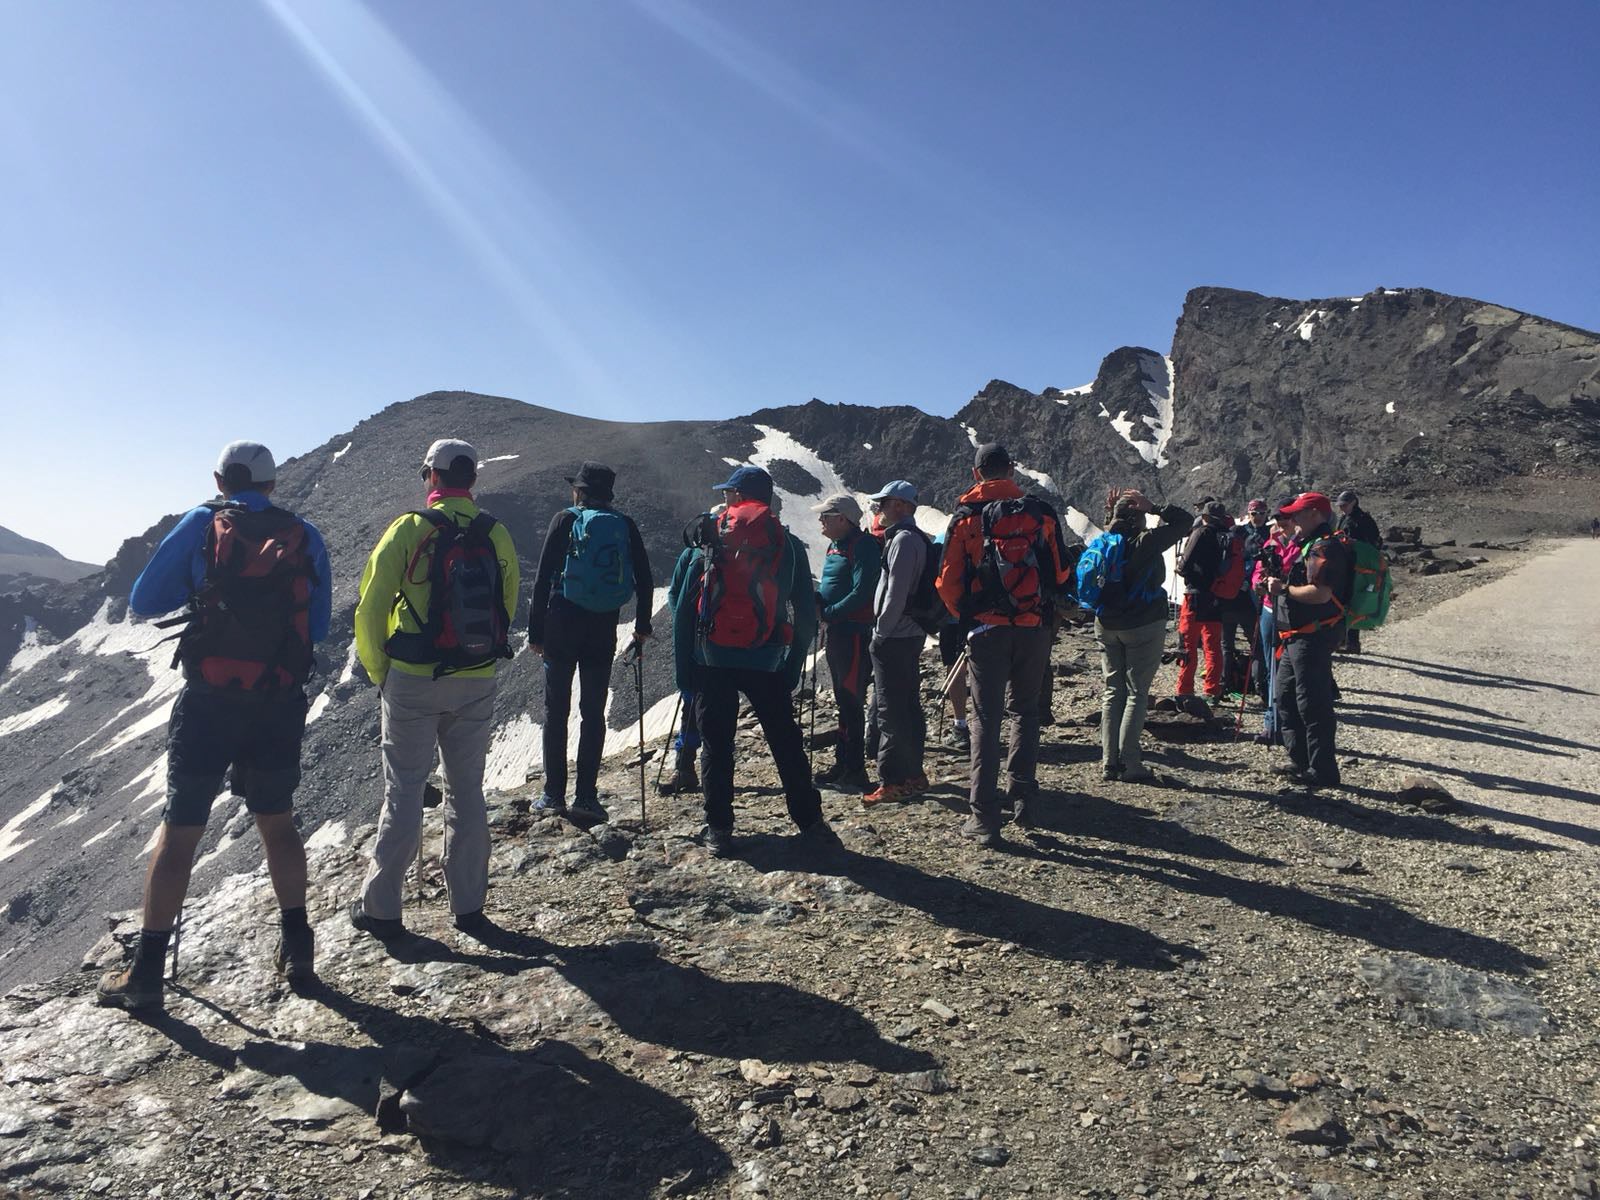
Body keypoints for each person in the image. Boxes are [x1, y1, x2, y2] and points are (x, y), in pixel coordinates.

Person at [97, 442, 332, 1009]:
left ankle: (147, 975)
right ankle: (298, 947)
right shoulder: (304, 534)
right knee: (278, 823)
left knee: (180, 832)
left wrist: (205, 591)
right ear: (273, 484)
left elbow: (145, 600)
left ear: (220, 479)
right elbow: (318, 626)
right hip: (276, 700)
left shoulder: (204, 521)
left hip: (210, 701)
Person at [351, 439, 519, 939]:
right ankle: (468, 906)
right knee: (466, 790)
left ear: (432, 477)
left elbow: (370, 607)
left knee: (403, 789)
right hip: (476, 676)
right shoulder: (496, 533)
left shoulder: (409, 529)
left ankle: (382, 907)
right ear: (471, 479)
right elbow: (506, 606)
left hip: (413, 678)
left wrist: (382, 672)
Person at [672, 466, 836, 857]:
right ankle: (810, 822)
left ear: (735, 497)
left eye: (729, 493)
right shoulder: (787, 543)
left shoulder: (709, 540)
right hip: (767, 659)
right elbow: (805, 613)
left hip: (712, 658)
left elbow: (682, 609)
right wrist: (793, 666)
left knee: (716, 745)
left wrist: (685, 674)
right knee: (785, 741)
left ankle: (719, 829)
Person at [935, 443, 1073, 844]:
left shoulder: (966, 517)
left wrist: (969, 614)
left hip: (985, 631)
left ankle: (983, 817)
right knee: (1026, 714)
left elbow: (947, 580)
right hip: (1033, 628)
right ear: (1010, 470)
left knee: (985, 719)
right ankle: (1025, 803)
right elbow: (1062, 572)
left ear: (976, 473)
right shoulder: (1040, 513)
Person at [527, 462, 654, 823]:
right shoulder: (624, 525)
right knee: (592, 712)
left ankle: (553, 794)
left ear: (579, 492)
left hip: (562, 625)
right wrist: (641, 625)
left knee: (557, 711)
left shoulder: (565, 519)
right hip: (602, 627)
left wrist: (536, 633)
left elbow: (540, 580)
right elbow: (644, 578)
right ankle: (586, 796)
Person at [1089, 489, 1193, 782]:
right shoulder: (1145, 541)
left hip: (1106, 623)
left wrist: (1112, 513)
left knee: (1112, 692)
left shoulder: (1105, 541)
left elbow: (1116, 530)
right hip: (1142, 623)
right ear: (1139, 519)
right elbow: (1185, 522)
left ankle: (1109, 762)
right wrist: (1156, 506)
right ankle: (1130, 763)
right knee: (1136, 693)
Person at [1264, 492, 1351, 788]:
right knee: (1285, 696)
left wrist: (1284, 590)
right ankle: (1299, 760)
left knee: (1312, 702)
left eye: (1298, 514)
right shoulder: (1307, 545)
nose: (1293, 519)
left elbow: (1321, 593)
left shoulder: (1325, 547)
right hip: (1296, 635)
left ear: (1316, 513)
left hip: (1312, 635)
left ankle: (1323, 770)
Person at [864, 481, 931, 805]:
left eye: (884, 503)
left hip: (896, 635)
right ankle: (913, 774)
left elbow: (895, 593)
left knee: (891, 710)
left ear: (902, 506)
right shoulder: (913, 538)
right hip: (910, 632)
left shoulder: (903, 540)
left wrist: (881, 632)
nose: (879, 510)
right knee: (907, 705)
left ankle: (892, 780)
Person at [811, 493, 880, 793]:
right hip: (840, 632)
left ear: (843, 518)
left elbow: (863, 590)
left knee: (851, 698)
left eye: (826, 516)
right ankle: (844, 763)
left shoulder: (862, 545)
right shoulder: (836, 545)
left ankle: (854, 769)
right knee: (843, 697)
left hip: (853, 631)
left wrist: (830, 613)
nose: (820, 521)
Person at [661, 508, 722, 796]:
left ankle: (685, 767)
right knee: (698, 706)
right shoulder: (697, 556)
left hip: (703, 645)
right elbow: (675, 594)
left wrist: (683, 622)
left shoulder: (692, 555)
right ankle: (690, 767)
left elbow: (675, 593)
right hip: (720, 644)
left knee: (692, 705)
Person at [1173, 500, 1232, 705]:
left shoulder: (1202, 532)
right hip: (1216, 596)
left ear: (1205, 516)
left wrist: (1181, 569)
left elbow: (1185, 563)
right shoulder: (1228, 536)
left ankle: (1184, 690)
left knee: (1188, 643)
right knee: (1213, 645)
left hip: (1195, 595)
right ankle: (1212, 690)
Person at [1249, 506, 1298, 745]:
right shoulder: (1271, 543)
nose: (1281, 522)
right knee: (1272, 663)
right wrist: (1258, 583)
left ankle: (1287, 725)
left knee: (1288, 666)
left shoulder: (1305, 543)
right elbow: (1258, 571)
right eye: (1278, 518)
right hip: (1270, 607)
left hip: (1294, 609)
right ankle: (1273, 724)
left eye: (1286, 518)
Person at [1334, 489, 1381, 654]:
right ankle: (1341, 639)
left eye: (1344, 505)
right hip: (1345, 565)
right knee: (1342, 602)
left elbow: (1374, 543)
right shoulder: (1343, 519)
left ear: (1353, 502)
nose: (1341, 508)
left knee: (1354, 603)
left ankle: (1353, 643)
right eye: (1340, 505)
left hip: (1359, 567)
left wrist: (1355, 544)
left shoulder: (1364, 520)